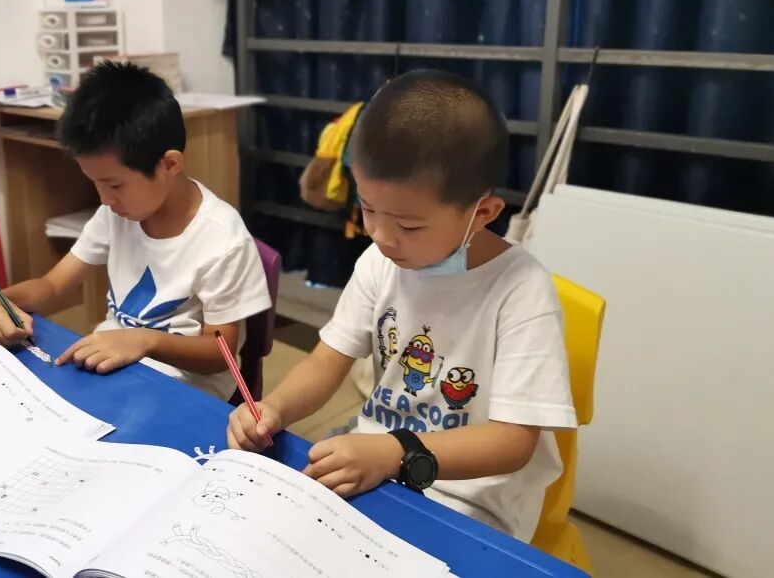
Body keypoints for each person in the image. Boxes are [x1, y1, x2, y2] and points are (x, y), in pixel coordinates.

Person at [227, 69, 576, 541]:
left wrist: (395, 451)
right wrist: (275, 407)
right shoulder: (380, 261)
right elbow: (328, 360)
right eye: (367, 208)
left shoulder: (521, 290)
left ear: (482, 213)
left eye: (409, 226)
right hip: (373, 463)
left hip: (468, 499)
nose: (381, 235)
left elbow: (513, 441)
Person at [0, 61, 271, 400]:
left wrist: (146, 341)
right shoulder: (115, 214)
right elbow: (53, 285)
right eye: (96, 184)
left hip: (185, 391)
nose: (105, 199)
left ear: (170, 164)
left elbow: (221, 355)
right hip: (117, 370)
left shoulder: (222, 240)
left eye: (115, 184)